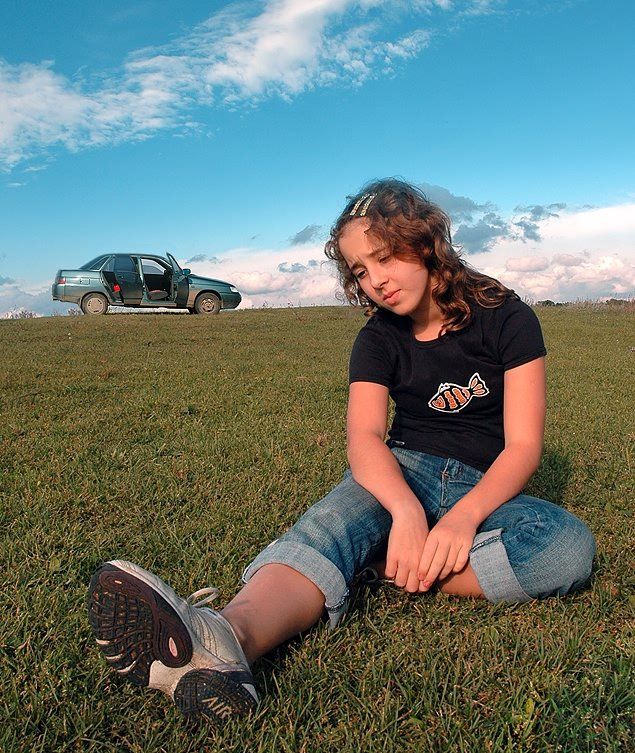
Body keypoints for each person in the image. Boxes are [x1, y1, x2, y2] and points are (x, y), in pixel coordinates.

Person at [88, 179, 596, 725]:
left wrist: (463, 518)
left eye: (385, 257)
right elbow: (365, 439)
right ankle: (226, 640)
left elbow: (523, 446)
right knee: (328, 529)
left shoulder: (506, 316)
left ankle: (377, 566)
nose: (376, 280)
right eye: (359, 270)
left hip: (484, 480)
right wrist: (406, 510)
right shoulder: (378, 339)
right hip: (402, 469)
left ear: (425, 242)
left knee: (567, 549)